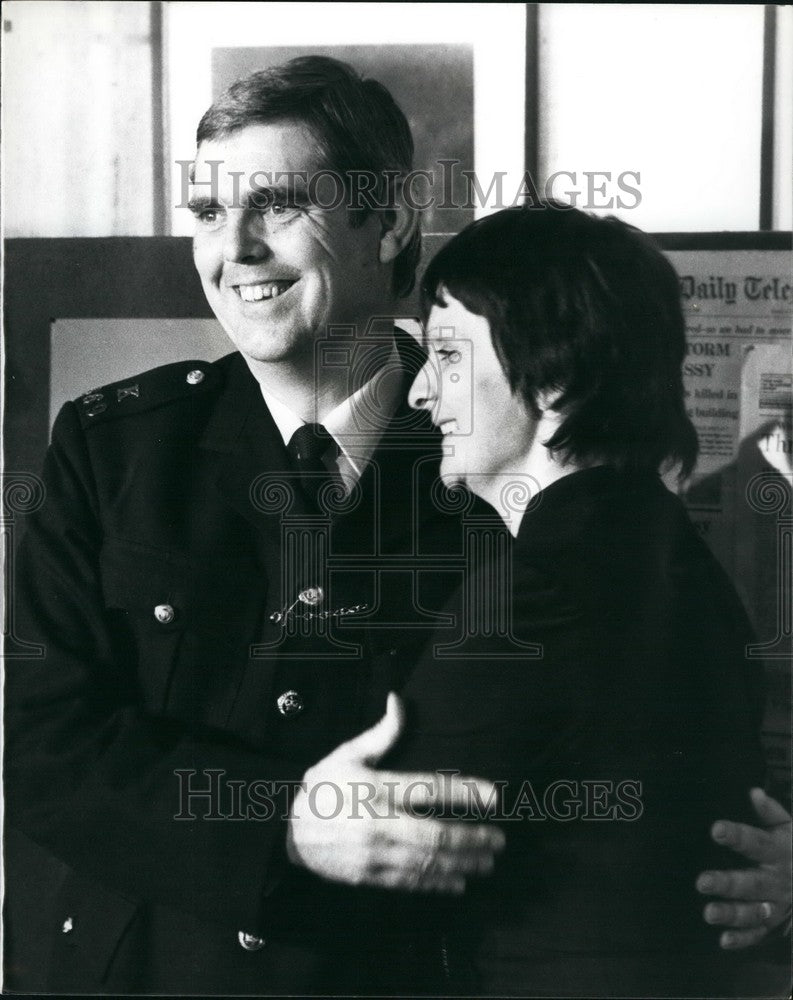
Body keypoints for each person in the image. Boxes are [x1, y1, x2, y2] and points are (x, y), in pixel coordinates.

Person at [5, 58, 789, 995]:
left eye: (279, 204)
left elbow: (661, 719)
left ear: (392, 223)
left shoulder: (510, 451)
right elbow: (41, 741)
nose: (236, 250)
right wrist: (281, 823)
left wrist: (771, 865)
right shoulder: (114, 446)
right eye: (209, 213)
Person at [368, 203, 787, 995]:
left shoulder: (540, 590)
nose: (422, 393)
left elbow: (375, 837)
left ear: (555, 380)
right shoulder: (662, 551)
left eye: (448, 357)